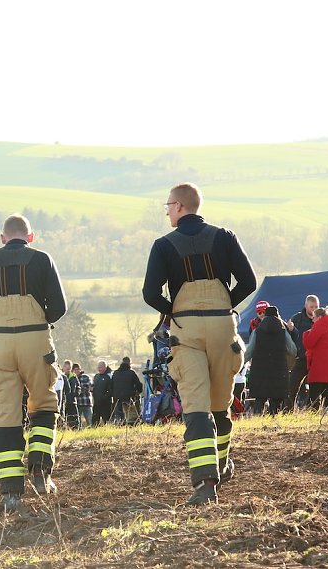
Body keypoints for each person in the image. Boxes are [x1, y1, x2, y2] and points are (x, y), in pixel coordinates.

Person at [142, 183, 257, 505]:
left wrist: (174, 312)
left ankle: (206, 483)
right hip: (223, 326)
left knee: (196, 407)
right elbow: (248, 281)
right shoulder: (225, 237)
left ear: (178, 206)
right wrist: (224, 307)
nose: (166, 210)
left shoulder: (163, 245)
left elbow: (150, 293)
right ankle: (221, 463)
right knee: (220, 405)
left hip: (187, 330)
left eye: (167, 205)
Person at [0, 213, 67, 512]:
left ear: (2, 238)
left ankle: (10, 491)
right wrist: (39, 321)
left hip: (1, 344)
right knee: (45, 403)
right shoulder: (42, 259)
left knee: (7, 415)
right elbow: (58, 307)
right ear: (30, 237)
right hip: (35, 339)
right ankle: (40, 470)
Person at [245, 306, 296, 415]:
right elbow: (293, 350)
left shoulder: (257, 332)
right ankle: (273, 422)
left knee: (259, 399)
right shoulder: (283, 332)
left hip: (259, 370)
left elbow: (248, 352)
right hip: (279, 370)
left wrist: (239, 365)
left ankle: (257, 420)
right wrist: (289, 365)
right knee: (276, 400)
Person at [303, 306, 328, 411]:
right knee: (326, 392)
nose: (312, 319)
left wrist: (306, 333)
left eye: (314, 317)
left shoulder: (319, 325)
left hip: (320, 364)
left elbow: (308, 343)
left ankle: (312, 412)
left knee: (314, 393)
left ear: (319, 317)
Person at [288, 295, 320, 409]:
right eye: (312, 306)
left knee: (315, 386)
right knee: (293, 385)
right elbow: (290, 338)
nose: (314, 309)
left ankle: (314, 409)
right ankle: (288, 409)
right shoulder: (297, 318)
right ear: (306, 306)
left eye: (316, 307)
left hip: (316, 359)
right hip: (301, 357)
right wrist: (291, 330)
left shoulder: (321, 318)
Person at [111, 356, 142, 425]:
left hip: (117, 398)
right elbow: (138, 385)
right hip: (129, 397)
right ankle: (133, 424)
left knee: (120, 415)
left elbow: (111, 385)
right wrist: (138, 392)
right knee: (131, 415)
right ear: (129, 363)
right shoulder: (131, 373)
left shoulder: (115, 373)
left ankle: (120, 423)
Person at [91, 360, 113, 426]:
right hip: (96, 402)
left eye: (100, 367)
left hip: (106, 403)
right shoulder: (96, 376)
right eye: (98, 367)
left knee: (107, 420)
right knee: (95, 420)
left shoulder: (109, 376)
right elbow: (94, 386)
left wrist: (104, 397)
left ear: (105, 367)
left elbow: (111, 390)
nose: (99, 369)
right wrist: (92, 389)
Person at [61, 360, 80, 429]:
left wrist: (75, 394)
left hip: (72, 401)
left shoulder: (74, 377)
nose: (68, 370)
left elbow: (78, 387)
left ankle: (75, 430)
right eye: (66, 368)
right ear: (63, 367)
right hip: (63, 401)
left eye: (69, 368)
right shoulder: (60, 376)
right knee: (62, 418)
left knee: (74, 418)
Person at [73, 363, 93, 427]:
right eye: (75, 369)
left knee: (90, 421)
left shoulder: (86, 377)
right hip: (77, 403)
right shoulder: (72, 378)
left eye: (78, 369)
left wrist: (78, 388)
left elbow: (89, 387)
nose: (77, 371)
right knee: (77, 422)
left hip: (86, 402)